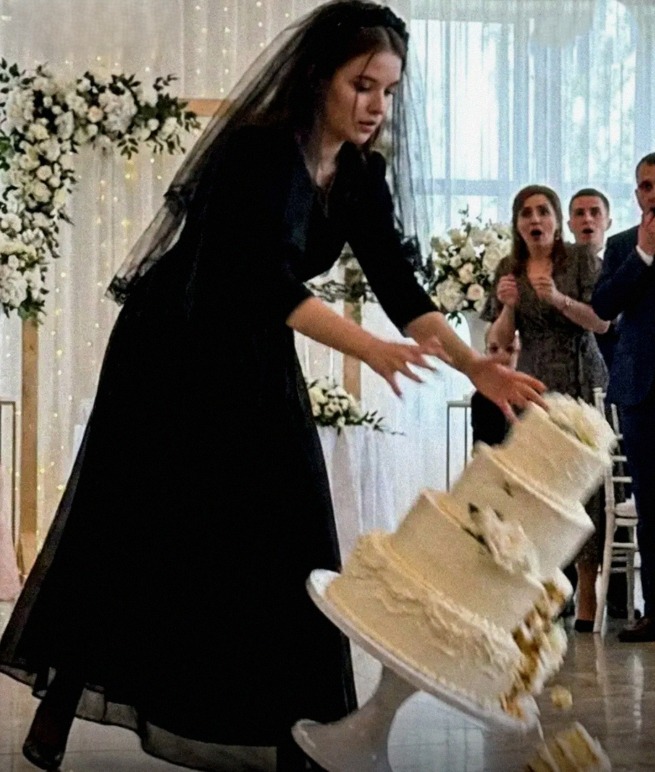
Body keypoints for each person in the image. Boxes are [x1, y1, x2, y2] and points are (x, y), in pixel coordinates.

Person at [0, 3, 546, 771]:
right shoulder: (256, 153)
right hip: (172, 346)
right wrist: (373, 352)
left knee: (288, 526)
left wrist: (472, 364)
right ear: (320, 78)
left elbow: (398, 282)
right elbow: (257, 279)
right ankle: (61, 697)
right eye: (363, 86)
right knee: (136, 518)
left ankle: (302, 732)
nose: (376, 107)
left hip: (251, 350)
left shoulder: (361, 174)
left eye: (388, 92)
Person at [482, 184, 609, 633]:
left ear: (556, 220)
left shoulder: (581, 261)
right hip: (532, 382)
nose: (535, 221)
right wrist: (508, 307)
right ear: (518, 224)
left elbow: (602, 320)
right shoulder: (508, 268)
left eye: (543, 212)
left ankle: (588, 589)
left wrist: (556, 297)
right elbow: (497, 341)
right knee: (535, 487)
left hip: (580, 377)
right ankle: (543, 588)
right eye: (526, 214)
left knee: (582, 486)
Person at [592, 152, 655, 643]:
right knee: (651, 504)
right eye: (645, 186)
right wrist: (644, 256)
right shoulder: (618, 247)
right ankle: (654, 609)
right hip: (641, 391)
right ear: (636, 195)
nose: (652, 193)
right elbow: (603, 306)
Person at [567, 188, 617, 369]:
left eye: (595, 212)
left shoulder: (621, 269)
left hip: (612, 365)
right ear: (570, 224)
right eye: (579, 213)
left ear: (608, 222)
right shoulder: (554, 271)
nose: (587, 219)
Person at [470, 327, 520, 449]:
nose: (501, 356)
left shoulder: (531, 393)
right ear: (485, 353)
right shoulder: (480, 398)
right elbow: (483, 449)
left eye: (509, 349)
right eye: (494, 349)